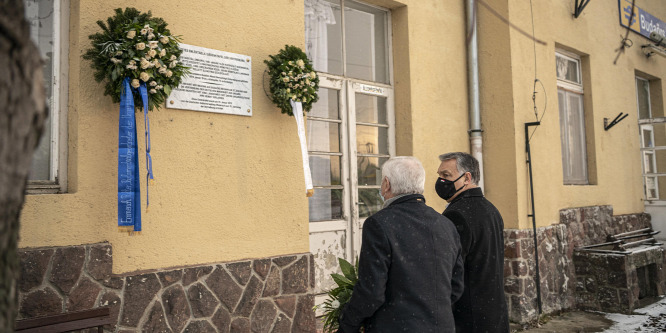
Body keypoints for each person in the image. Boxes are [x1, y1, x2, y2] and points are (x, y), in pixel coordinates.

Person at [338, 156, 464, 333]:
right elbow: (456, 286)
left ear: (386, 184)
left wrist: (348, 325)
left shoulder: (379, 224)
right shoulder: (445, 224)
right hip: (441, 325)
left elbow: (371, 292)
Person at [435, 152, 510, 332]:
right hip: (493, 311)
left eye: (446, 175)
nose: (440, 182)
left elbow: (450, 269)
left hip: (469, 316)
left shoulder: (457, 214)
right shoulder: (491, 209)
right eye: (439, 176)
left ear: (467, 178)